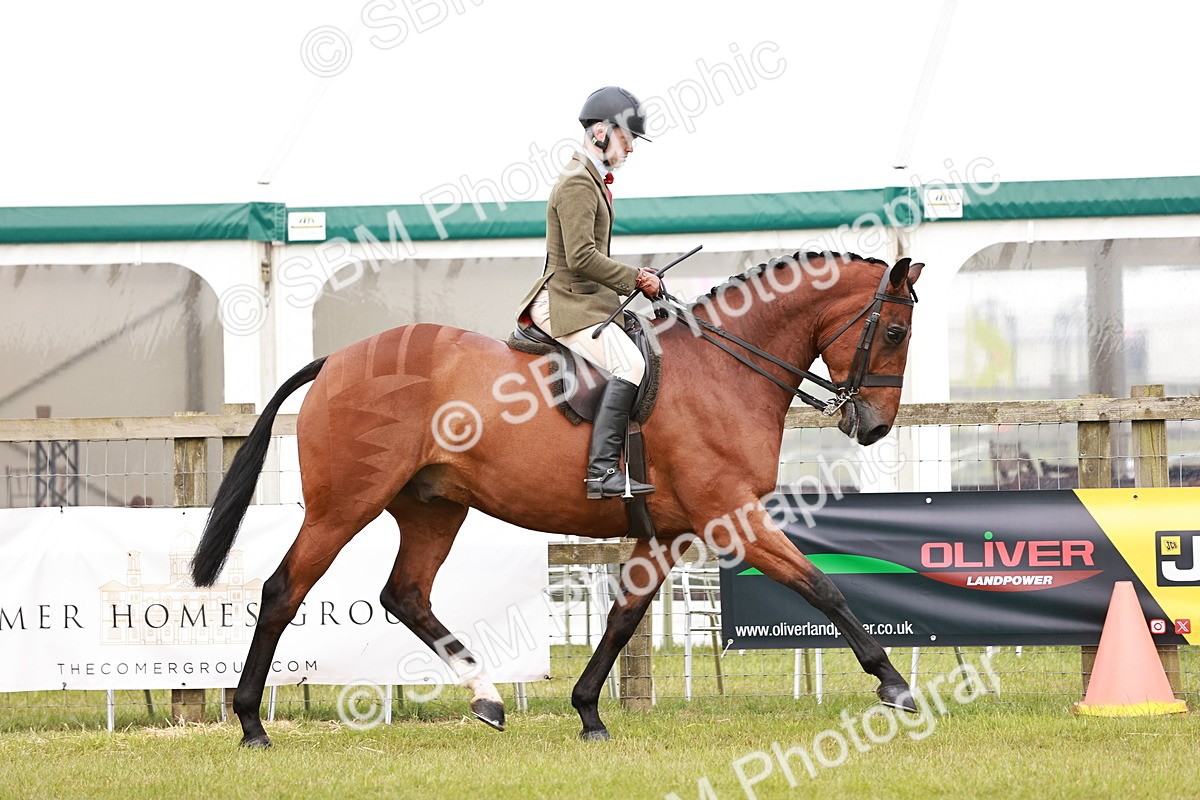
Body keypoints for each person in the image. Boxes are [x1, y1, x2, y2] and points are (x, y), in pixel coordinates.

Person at [515, 86, 662, 500]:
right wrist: (635, 278)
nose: (631, 147)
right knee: (629, 365)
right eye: (627, 137)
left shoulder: (590, 180)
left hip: (582, 298)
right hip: (562, 302)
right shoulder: (578, 182)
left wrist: (637, 277)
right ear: (601, 132)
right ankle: (602, 472)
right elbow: (580, 258)